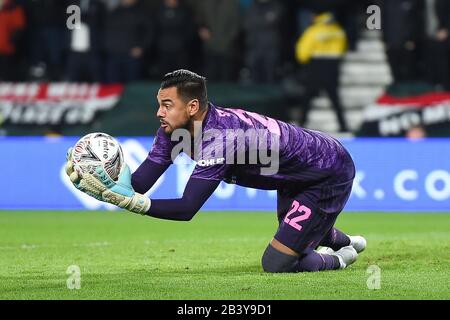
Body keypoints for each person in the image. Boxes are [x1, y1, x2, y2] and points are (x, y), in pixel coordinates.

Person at [66, 69, 366, 273]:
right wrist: (101, 182)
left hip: (327, 170)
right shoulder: (172, 131)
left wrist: (128, 202)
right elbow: (140, 184)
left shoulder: (221, 137)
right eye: (159, 104)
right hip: (293, 173)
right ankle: (345, 241)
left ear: (193, 106)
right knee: (296, 235)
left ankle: (337, 259)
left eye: (167, 105)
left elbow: (187, 208)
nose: (159, 112)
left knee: (277, 262)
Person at [295, 12, 349, 132]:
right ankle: (343, 125)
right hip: (332, 67)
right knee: (335, 98)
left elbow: (302, 52)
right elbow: (343, 47)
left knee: (307, 97)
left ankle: (301, 124)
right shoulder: (338, 30)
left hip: (316, 66)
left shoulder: (313, 30)